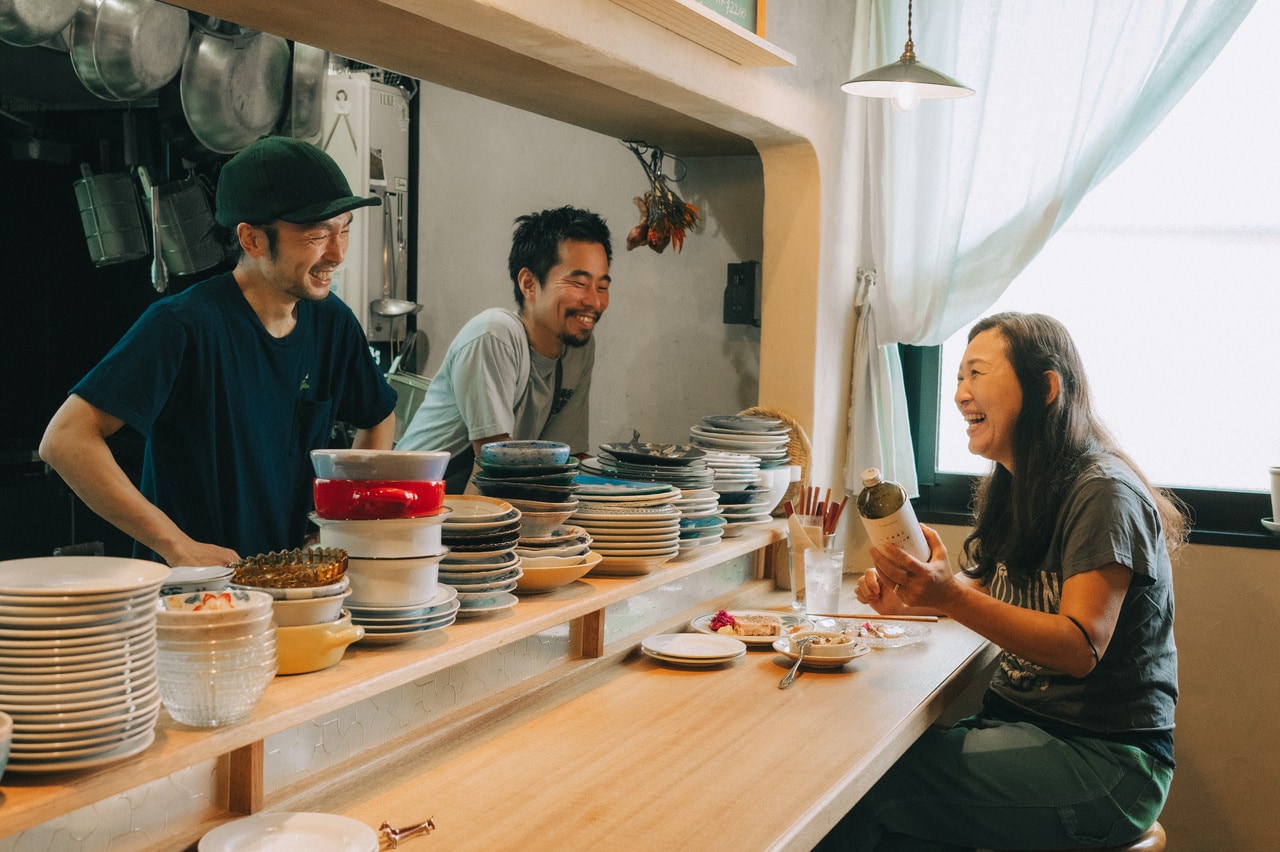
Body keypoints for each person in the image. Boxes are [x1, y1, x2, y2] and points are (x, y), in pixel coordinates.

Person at [821, 312, 1181, 851]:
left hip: (1107, 764)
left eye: (977, 374)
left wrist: (948, 597)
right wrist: (913, 599)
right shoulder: (1022, 483)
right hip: (1027, 732)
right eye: (959, 377)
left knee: (858, 790)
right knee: (868, 776)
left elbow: (1080, 645)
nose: (961, 393)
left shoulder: (1102, 491)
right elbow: (987, 588)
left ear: (1046, 387)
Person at [39, 136, 397, 567]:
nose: (337, 254)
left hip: (295, 591)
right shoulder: (183, 324)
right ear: (252, 240)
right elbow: (65, 440)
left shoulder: (332, 322)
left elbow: (377, 416)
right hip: (193, 600)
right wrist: (175, 545)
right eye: (317, 236)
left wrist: (336, 524)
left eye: (345, 230)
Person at [397, 206, 611, 492]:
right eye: (580, 283)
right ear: (528, 283)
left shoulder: (578, 347)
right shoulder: (495, 334)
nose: (594, 302)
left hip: (474, 503)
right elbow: (494, 465)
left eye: (602, 287)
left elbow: (565, 460)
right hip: (409, 504)